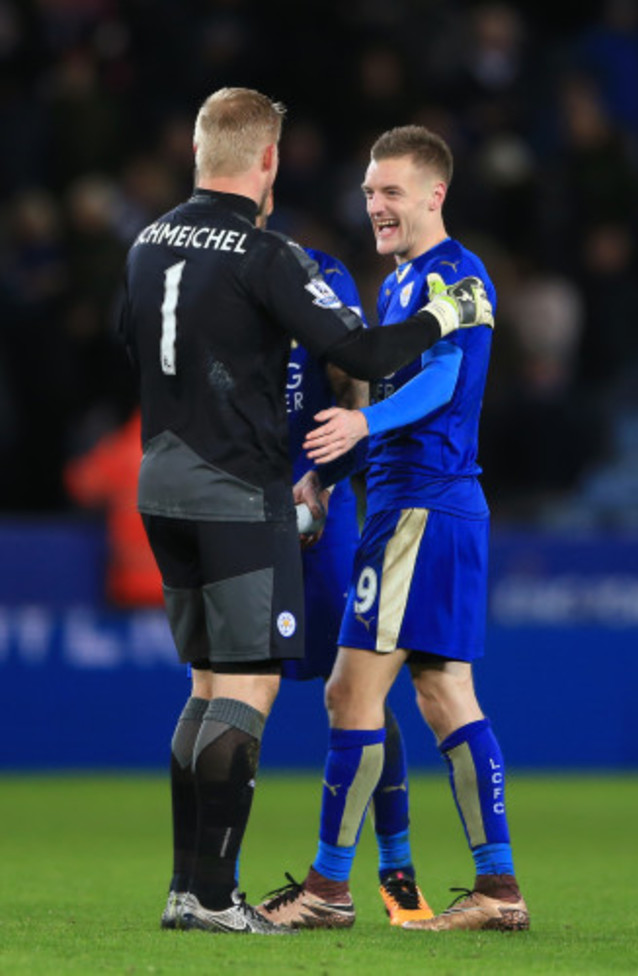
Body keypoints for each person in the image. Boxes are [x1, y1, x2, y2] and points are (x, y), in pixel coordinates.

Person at [119, 88, 493, 937]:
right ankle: (224, 895)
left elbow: (131, 344)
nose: (374, 204)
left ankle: (210, 887)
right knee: (280, 687)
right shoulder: (273, 258)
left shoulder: (146, 243)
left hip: (179, 486)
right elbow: (360, 357)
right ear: (269, 163)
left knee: (230, 684)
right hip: (246, 497)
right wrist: (444, 316)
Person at [257, 125, 529, 932]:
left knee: (351, 690)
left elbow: (441, 382)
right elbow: (388, 399)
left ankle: (328, 890)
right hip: (435, 505)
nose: (376, 204)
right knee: (445, 692)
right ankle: (497, 890)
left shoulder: (457, 274)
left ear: (435, 194)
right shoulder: (402, 284)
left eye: (392, 192)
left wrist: (364, 428)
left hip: (418, 507)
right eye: (370, 191)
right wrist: (331, 469)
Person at [285, 244, 434, 927]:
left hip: (320, 506)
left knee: (357, 691)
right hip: (238, 507)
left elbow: (356, 383)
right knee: (224, 682)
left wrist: (329, 478)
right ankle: (208, 887)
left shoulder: (317, 276)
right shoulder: (215, 280)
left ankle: (395, 868)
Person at [64, 409, 164, 608]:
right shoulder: (188, 456)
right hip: (176, 587)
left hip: (129, 584)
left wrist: (93, 445)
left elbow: (80, 484)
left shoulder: (119, 449)